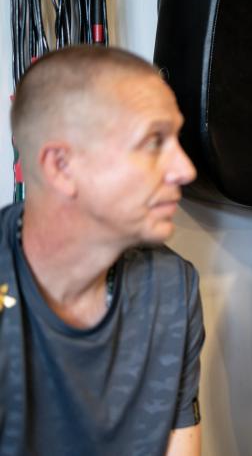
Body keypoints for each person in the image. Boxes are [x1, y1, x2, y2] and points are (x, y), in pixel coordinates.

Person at [0, 46, 204, 455]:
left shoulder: (170, 287)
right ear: (62, 166)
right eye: (153, 141)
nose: (185, 169)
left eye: (176, 139)